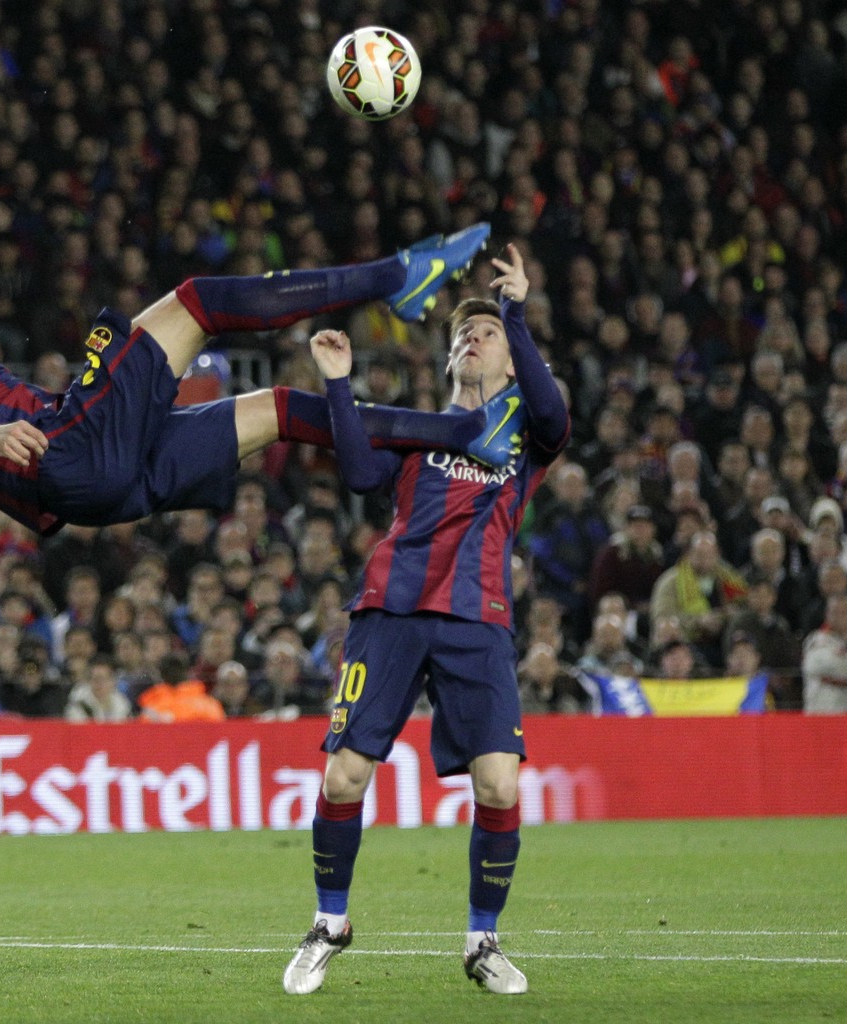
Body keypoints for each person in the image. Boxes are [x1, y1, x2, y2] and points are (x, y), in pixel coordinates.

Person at [283, 244, 569, 997]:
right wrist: (339, 387)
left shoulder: (524, 427)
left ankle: (482, 941)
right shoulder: (418, 428)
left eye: (486, 335)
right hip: (392, 608)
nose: (470, 339)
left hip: (478, 617)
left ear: (511, 360)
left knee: (501, 788)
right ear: (446, 362)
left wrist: (514, 312)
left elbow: (556, 413)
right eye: (460, 335)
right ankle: (330, 921)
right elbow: (360, 475)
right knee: (343, 776)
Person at [0, 219, 521, 535]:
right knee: (197, 302)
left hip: (92, 486)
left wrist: (39, 504)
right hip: (73, 448)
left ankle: (465, 432)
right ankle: (398, 275)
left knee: (280, 407)